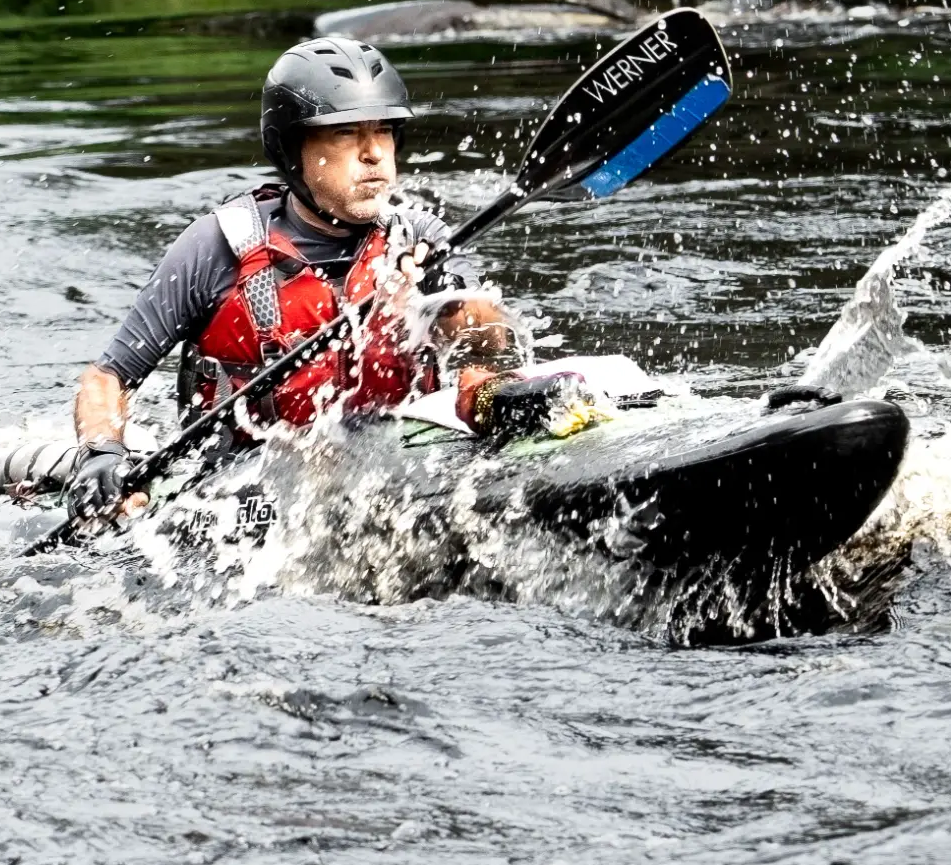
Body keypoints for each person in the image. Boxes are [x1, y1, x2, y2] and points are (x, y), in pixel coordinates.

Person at [57, 36, 571, 519]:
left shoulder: (422, 239)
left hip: (397, 470)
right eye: (347, 132)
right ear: (292, 150)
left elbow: (485, 340)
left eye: (383, 131)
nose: (374, 153)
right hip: (248, 487)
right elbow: (108, 378)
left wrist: (445, 300)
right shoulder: (215, 247)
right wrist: (102, 453)